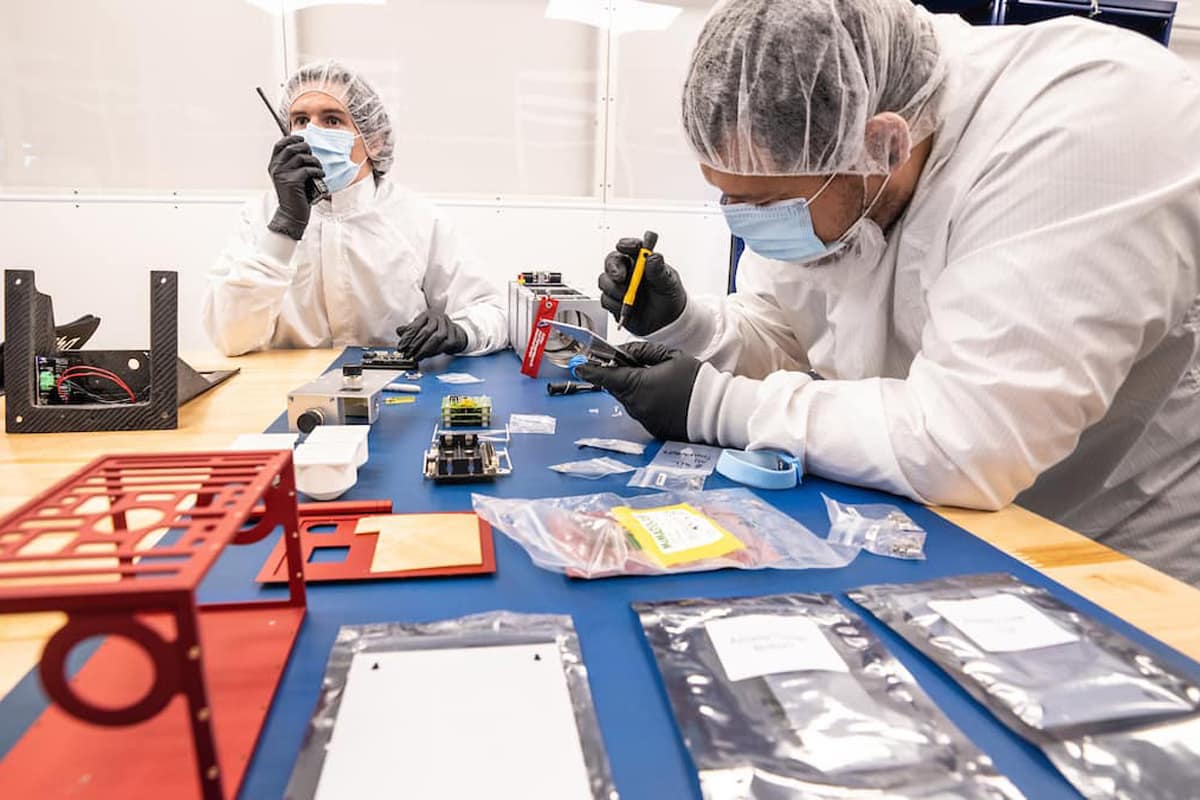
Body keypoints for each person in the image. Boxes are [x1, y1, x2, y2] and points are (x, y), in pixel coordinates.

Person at [578, 0, 1200, 585]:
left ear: (881, 144)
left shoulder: (1082, 123)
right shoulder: (833, 164)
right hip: (942, 525)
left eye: (763, 203)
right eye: (728, 195)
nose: (740, 220)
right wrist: (690, 329)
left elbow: (970, 440)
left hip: (1110, 547)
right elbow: (797, 337)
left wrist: (714, 408)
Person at [203, 60, 507, 360]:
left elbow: (493, 313)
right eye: (300, 120)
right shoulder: (259, 216)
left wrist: (460, 332)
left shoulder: (418, 219)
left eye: (332, 120)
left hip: (395, 391)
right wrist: (286, 225)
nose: (312, 133)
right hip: (286, 395)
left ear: (375, 140)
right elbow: (229, 338)